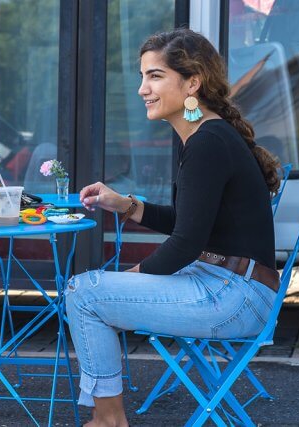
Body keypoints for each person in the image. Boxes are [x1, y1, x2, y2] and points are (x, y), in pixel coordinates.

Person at [67, 28, 282, 427]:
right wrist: (125, 205)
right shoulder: (206, 135)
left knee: (85, 293)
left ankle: (108, 421)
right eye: (142, 76)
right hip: (235, 287)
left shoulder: (207, 142)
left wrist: (132, 277)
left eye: (155, 76)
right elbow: (189, 223)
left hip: (233, 297)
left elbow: (186, 242)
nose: (142, 89)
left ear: (192, 82)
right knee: (93, 291)